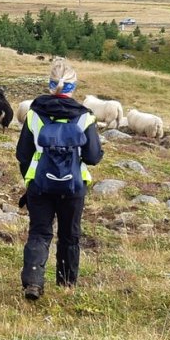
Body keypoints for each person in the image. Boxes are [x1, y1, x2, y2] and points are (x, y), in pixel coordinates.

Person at [15, 58, 103, 300]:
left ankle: (33, 282)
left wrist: (30, 180)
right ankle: (66, 284)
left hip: (40, 185)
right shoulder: (84, 117)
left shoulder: (34, 114)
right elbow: (93, 156)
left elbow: (23, 154)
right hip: (73, 186)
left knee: (40, 233)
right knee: (70, 234)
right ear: (72, 87)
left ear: (49, 84)